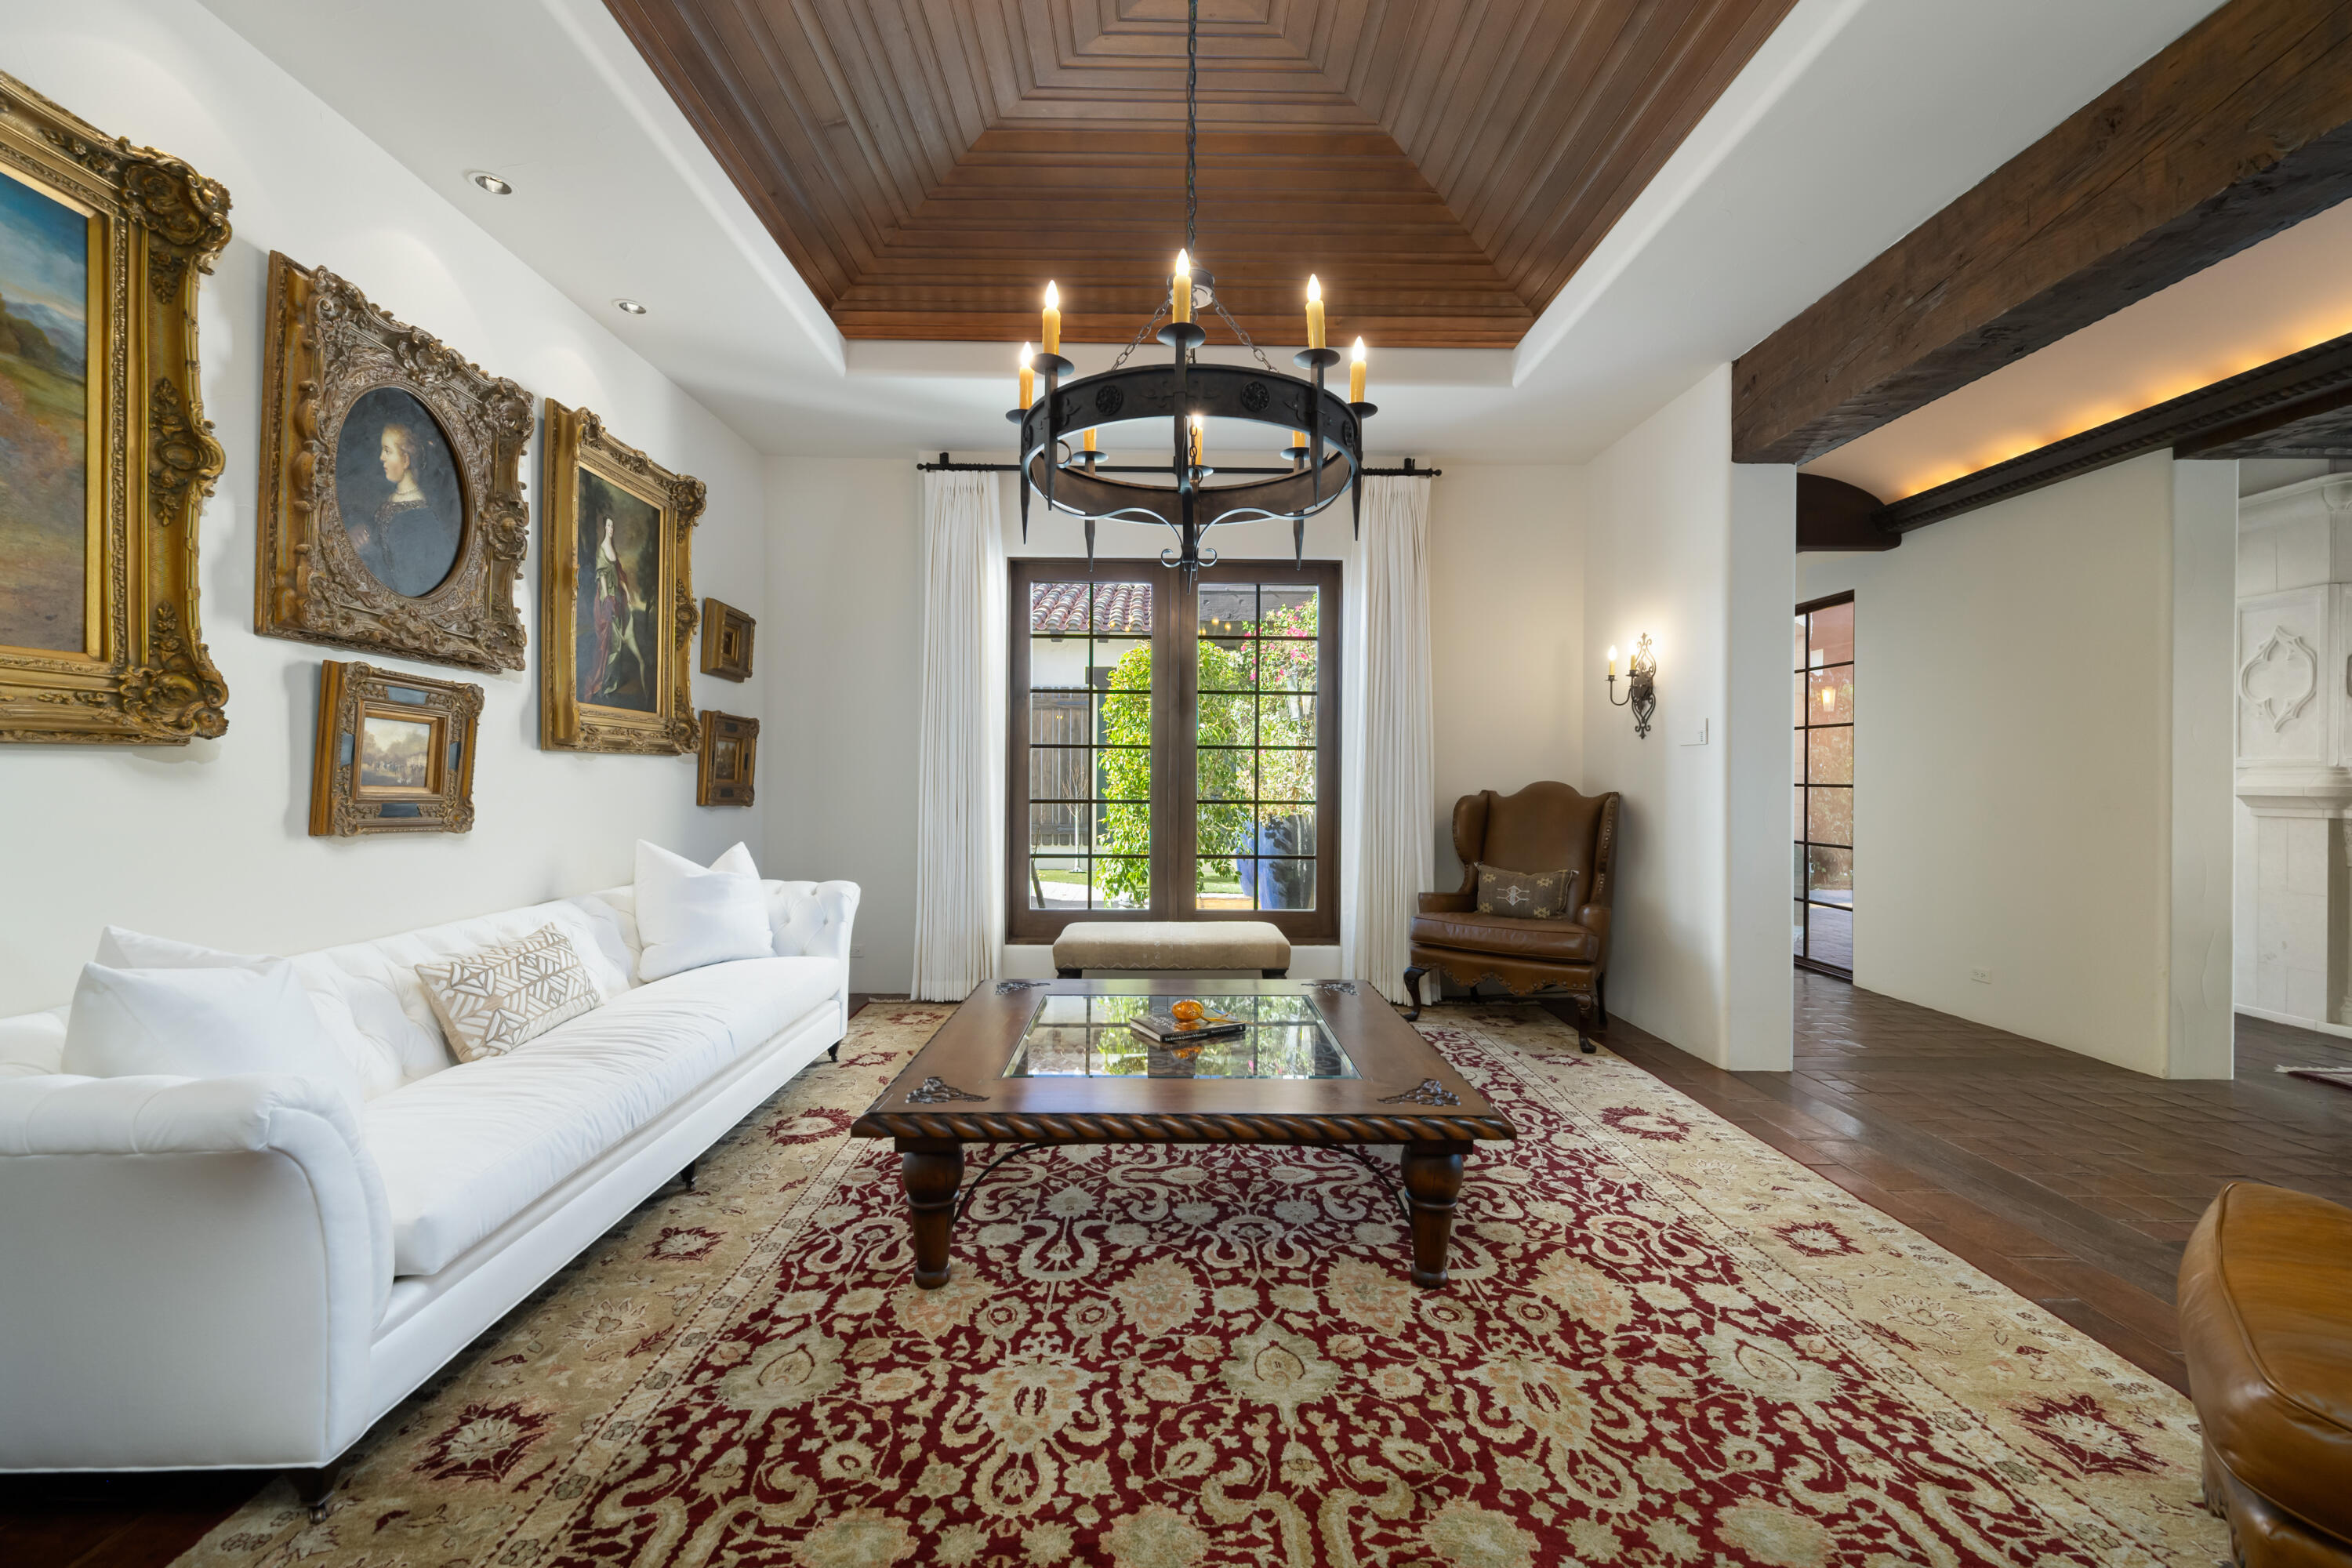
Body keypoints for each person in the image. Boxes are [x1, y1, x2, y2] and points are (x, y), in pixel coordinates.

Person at [346, 419, 459, 596]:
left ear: (405, 460)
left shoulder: (419, 519)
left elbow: (402, 587)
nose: (381, 457)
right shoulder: (393, 500)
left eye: (388, 451)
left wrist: (369, 551)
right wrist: (362, 531)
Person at [588, 514, 650, 702]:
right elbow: (602, 576)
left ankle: (610, 686)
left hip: (618, 598)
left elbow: (619, 574)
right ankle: (603, 687)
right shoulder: (602, 549)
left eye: (613, 526)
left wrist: (628, 593)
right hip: (609, 600)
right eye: (608, 526)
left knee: (617, 645)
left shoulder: (613, 549)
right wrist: (608, 598)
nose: (611, 529)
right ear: (604, 527)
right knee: (612, 644)